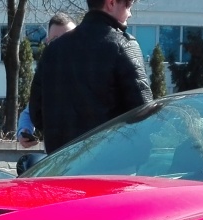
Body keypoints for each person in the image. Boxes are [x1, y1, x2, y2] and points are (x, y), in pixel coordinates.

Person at [29, 0, 152, 155]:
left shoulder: (53, 50)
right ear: (111, 3)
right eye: (128, 5)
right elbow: (143, 112)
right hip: (109, 163)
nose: (130, 13)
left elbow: (36, 113)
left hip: (60, 165)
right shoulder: (123, 45)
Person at [17, 13, 75, 149]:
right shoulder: (47, 73)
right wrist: (24, 131)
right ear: (47, 42)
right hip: (57, 155)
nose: (62, 46)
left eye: (68, 39)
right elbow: (31, 109)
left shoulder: (91, 69)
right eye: (56, 41)